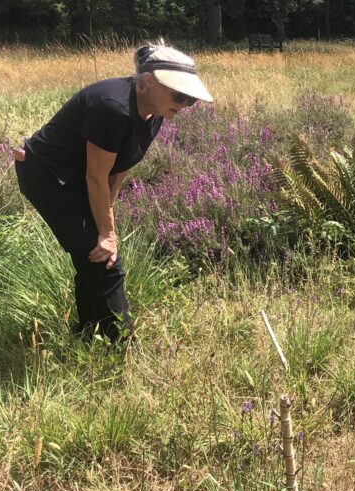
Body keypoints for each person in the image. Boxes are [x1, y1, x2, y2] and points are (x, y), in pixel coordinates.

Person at [13, 42, 213, 343]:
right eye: (179, 95)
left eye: (191, 101)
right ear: (147, 82)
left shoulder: (155, 113)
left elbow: (121, 165)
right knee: (105, 258)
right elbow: (95, 176)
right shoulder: (113, 108)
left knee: (91, 251)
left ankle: (87, 333)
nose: (184, 105)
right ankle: (119, 344)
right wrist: (107, 232)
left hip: (79, 176)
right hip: (48, 177)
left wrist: (106, 215)